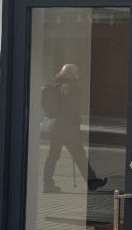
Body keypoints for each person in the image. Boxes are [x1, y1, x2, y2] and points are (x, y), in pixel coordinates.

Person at [41, 63, 106, 193]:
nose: (79, 75)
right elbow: (73, 110)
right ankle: (92, 182)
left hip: (56, 126)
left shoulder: (54, 85)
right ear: (70, 73)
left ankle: (47, 184)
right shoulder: (71, 87)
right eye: (77, 72)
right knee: (79, 155)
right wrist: (76, 126)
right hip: (68, 128)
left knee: (53, 157)